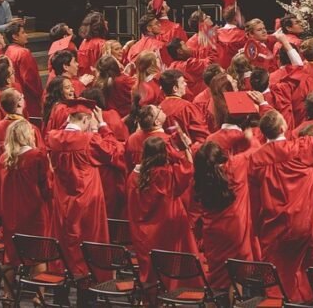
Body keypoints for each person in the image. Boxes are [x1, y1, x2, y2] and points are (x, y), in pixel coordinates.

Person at [246, 91, 313, 301]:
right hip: (304, 222)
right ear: (284, 128)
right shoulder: (300, 148)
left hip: (272, 224)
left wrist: (264, 104)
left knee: (278, 276)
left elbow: (254, 197)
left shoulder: (256, 159)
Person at [45, 101, 124, 279]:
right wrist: (102, 125)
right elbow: (112, 151)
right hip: (88, 196)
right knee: (90, 240)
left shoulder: (53, 137)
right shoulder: (88, 140)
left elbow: (63, 133)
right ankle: (87, 293)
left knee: (64, 238)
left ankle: (61, 290)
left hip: (63, 197)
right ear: (87, 119)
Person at [126, 134, 197, 294]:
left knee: (150, 273)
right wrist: (180, 150)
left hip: (142, 233)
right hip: (166, 230)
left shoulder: (134, 176)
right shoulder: (167, 174)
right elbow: (189, 168)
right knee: (167, 269)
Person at [193, 140, 257, 293]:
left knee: (217, 276)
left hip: (212, 233)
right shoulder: (234, 168)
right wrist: (250, 137)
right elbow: (255, 150)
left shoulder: (200, 176)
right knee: (237, 276)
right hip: (235, 230)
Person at [0, 120, 51, 273]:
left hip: (10, 215)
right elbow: (47, 187)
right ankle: (38, 296)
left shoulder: (3, 159)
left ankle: (8, 295)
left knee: (10, 256)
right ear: (27, 135)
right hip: (35, 215)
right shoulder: (37, 155)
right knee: (37, 256)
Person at [4, 22, 44, 119]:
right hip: (28, 98)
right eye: (23, 32)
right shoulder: (23, 53)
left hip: (14, 95)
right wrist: (40, 96)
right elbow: (30, 80)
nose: (26, 35)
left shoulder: (8, 50)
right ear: (15, 36)